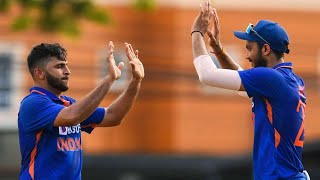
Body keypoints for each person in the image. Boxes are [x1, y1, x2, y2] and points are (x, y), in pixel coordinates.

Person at [191, 1, 310, 179]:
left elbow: (206, 75)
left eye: (250, 48)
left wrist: (196, 32)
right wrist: (218, 50)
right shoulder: (290, 80)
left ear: (266, 49)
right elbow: (243, 85)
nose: (247, 55)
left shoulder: (271, 79)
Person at [18, 41, 144, 179]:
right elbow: (72, 117)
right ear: (39, 73)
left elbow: (112, 116)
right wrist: (109, 80)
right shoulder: (33, 103)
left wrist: (136, 81)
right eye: (60, 66)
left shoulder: (68, 104)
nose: (67, 71)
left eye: (66, 65)